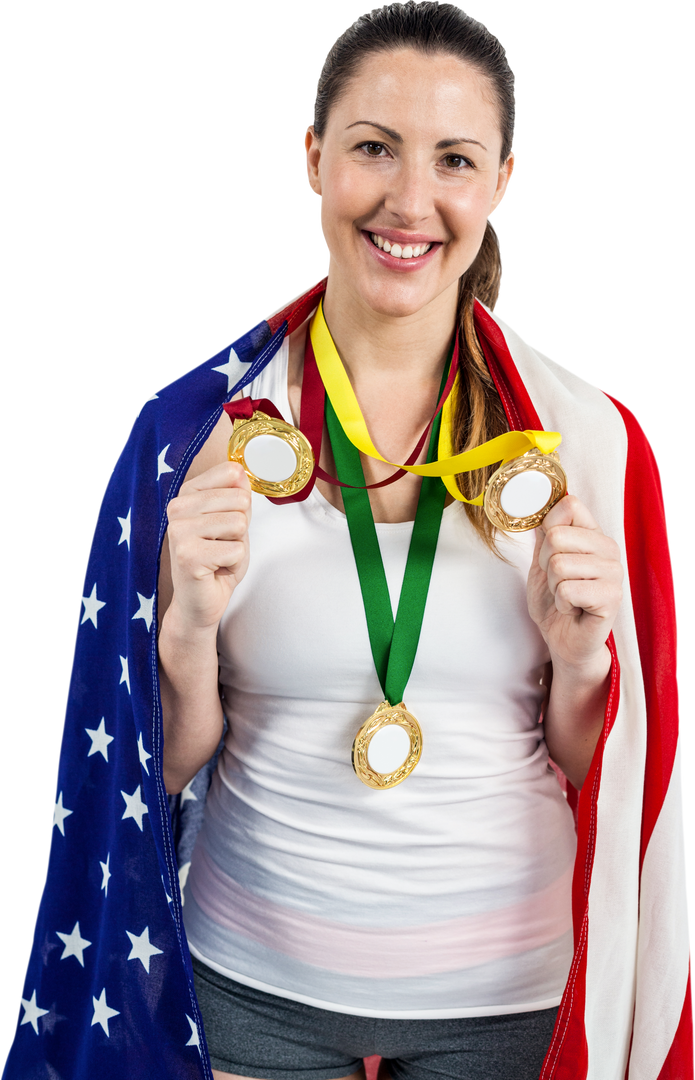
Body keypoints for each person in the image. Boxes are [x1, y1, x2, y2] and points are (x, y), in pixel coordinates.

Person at [5, 5, 688, 1080]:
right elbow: (154, 770)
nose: (408, 201)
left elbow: (595, 767)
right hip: (252, 998)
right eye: (373, 147)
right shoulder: (192, 432)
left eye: (452, 159)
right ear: (313, 159)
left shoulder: (586, 444)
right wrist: (185, 619)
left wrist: (577, 655)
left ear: (500, 180)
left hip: (505, 1006)